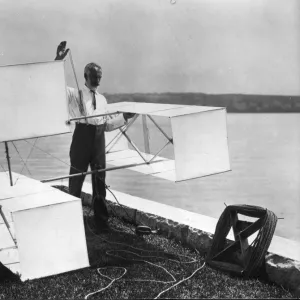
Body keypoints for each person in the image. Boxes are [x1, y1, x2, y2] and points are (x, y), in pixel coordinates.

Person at [55, 41, 135, 233]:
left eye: (99, 76)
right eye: (93, 76)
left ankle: (101, 221)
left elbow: (106, 124)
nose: (97, 79)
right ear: (85, 76)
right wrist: (58, 61)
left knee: (100, 181)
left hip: (98, 141)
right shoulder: (75, 95)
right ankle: (71, 220)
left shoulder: (103, 99)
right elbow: (55, 85)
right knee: (76, 181)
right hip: (81, 139)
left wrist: (124, 117)